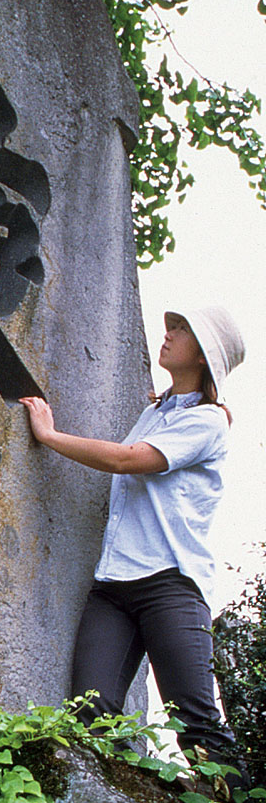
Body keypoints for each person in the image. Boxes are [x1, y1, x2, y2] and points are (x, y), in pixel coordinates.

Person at [20, 305, 246, 777]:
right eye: (172, 326)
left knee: (196, 724)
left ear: (204, 356)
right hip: (113, 586)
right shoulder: (157, 411)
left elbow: (127, 460)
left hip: (170, 585)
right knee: (88, 715)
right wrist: (164, 404)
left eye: (182, 331)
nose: (169, 335)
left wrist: (49, 434)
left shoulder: (208, 422)